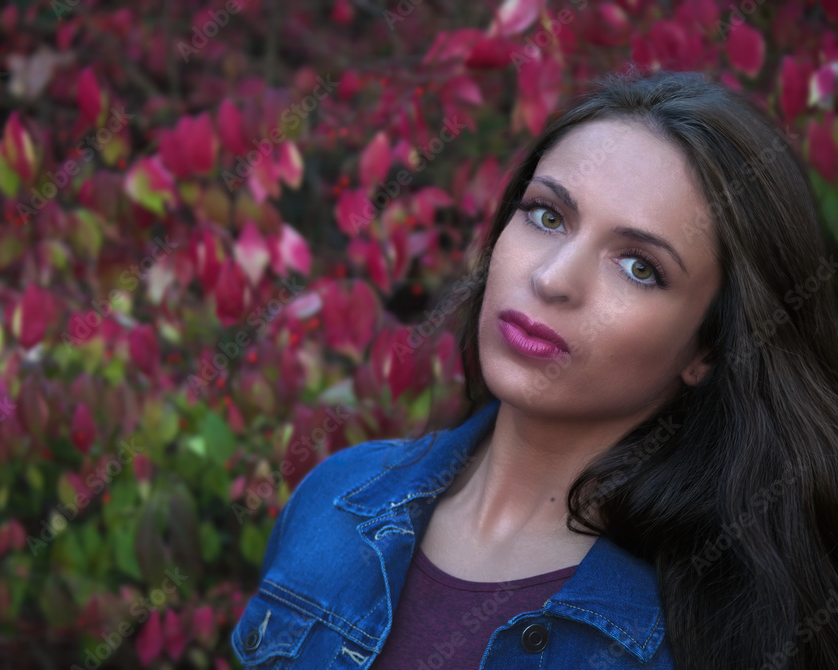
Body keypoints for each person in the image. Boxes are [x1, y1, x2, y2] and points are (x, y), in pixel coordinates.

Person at [230, 69, 838, 669]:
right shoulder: (334, 501)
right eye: (548, 216)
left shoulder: (711, 636)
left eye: (638, 266)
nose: (552, 279)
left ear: (707, 351)